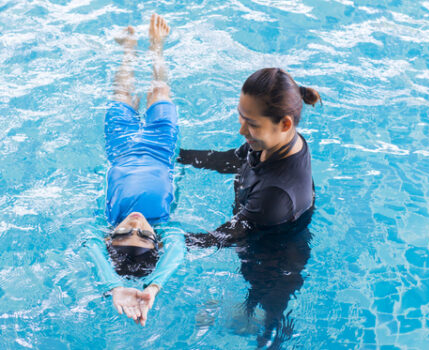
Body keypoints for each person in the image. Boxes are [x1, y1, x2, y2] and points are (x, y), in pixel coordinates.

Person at [179, 68, 320, 346]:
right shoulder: (273, 142)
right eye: (241, 118)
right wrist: (175, 156)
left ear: (285, 124)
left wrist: (160, 246)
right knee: (247, 309)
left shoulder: (276, 195)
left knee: (269, 322)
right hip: (260, 232)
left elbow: (222, 237)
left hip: (275, 265)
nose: (242, 130)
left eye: (251, 124)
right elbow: (230, 160)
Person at [83, 14, 184, 327]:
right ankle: (157, 48)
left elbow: (91, 248)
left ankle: (128, 50)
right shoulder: (166, 226)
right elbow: (177, 252)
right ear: (158, 241)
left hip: (121, 148)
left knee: (122, 95)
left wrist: (113, 286)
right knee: (159, 90)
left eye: (125, 232)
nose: (135, 224)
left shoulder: (107, 221)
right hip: (161, 146)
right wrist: (154, 286)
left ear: (111, 237)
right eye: (143, 235)